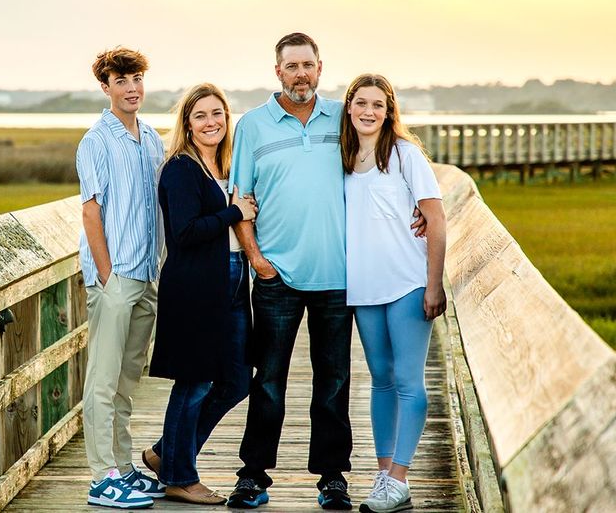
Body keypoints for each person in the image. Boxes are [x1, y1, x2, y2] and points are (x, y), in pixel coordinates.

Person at [227, 32, 426, 511]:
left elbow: (387, 155)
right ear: (278, 71)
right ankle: (253, 476)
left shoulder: (342, 116)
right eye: (291, 66)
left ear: (320, 68)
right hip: (277, 277)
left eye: (308, 65)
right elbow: (240, 201)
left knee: (334, 382)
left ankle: (332, 477)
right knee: (268, 379)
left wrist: (419, 207)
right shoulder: (253, 125)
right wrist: (256, 259)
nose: (300, 74)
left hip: (340, 277)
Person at [144, 83, 257, 505]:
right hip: (194, 285)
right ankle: (179, 475)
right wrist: (233, 211)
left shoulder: (226, 166)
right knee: (193, 381)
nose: (211, 123)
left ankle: (164, 453)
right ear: (188, 125)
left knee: (235, 381)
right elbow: (185, 233)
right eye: (201, 116)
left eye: (218, 114)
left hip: (231, 280)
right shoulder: (180, 169)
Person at [341, 74, 447, 513]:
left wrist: (434, 283)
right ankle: (385, 476)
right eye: (361, 103)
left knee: (407, 380)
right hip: (364, 287)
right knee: (380, 380)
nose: (369, 111)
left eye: (378, 106)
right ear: (349, 107)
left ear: (389, 112)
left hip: (407, 282)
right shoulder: (342, 156)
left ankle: (401, 476)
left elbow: (436, 220)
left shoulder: (405, 155)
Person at [76, 47, 165, 509]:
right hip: (115, 278)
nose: (132, 88)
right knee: (103, 381)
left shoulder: (151, 138)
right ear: (106, 86)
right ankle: (100, 477)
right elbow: (91, 211)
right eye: (122, 80)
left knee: (128, 380)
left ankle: (125, 467)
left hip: (146, 274)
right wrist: (108, 277)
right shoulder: (97, 140)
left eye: (137, 79)